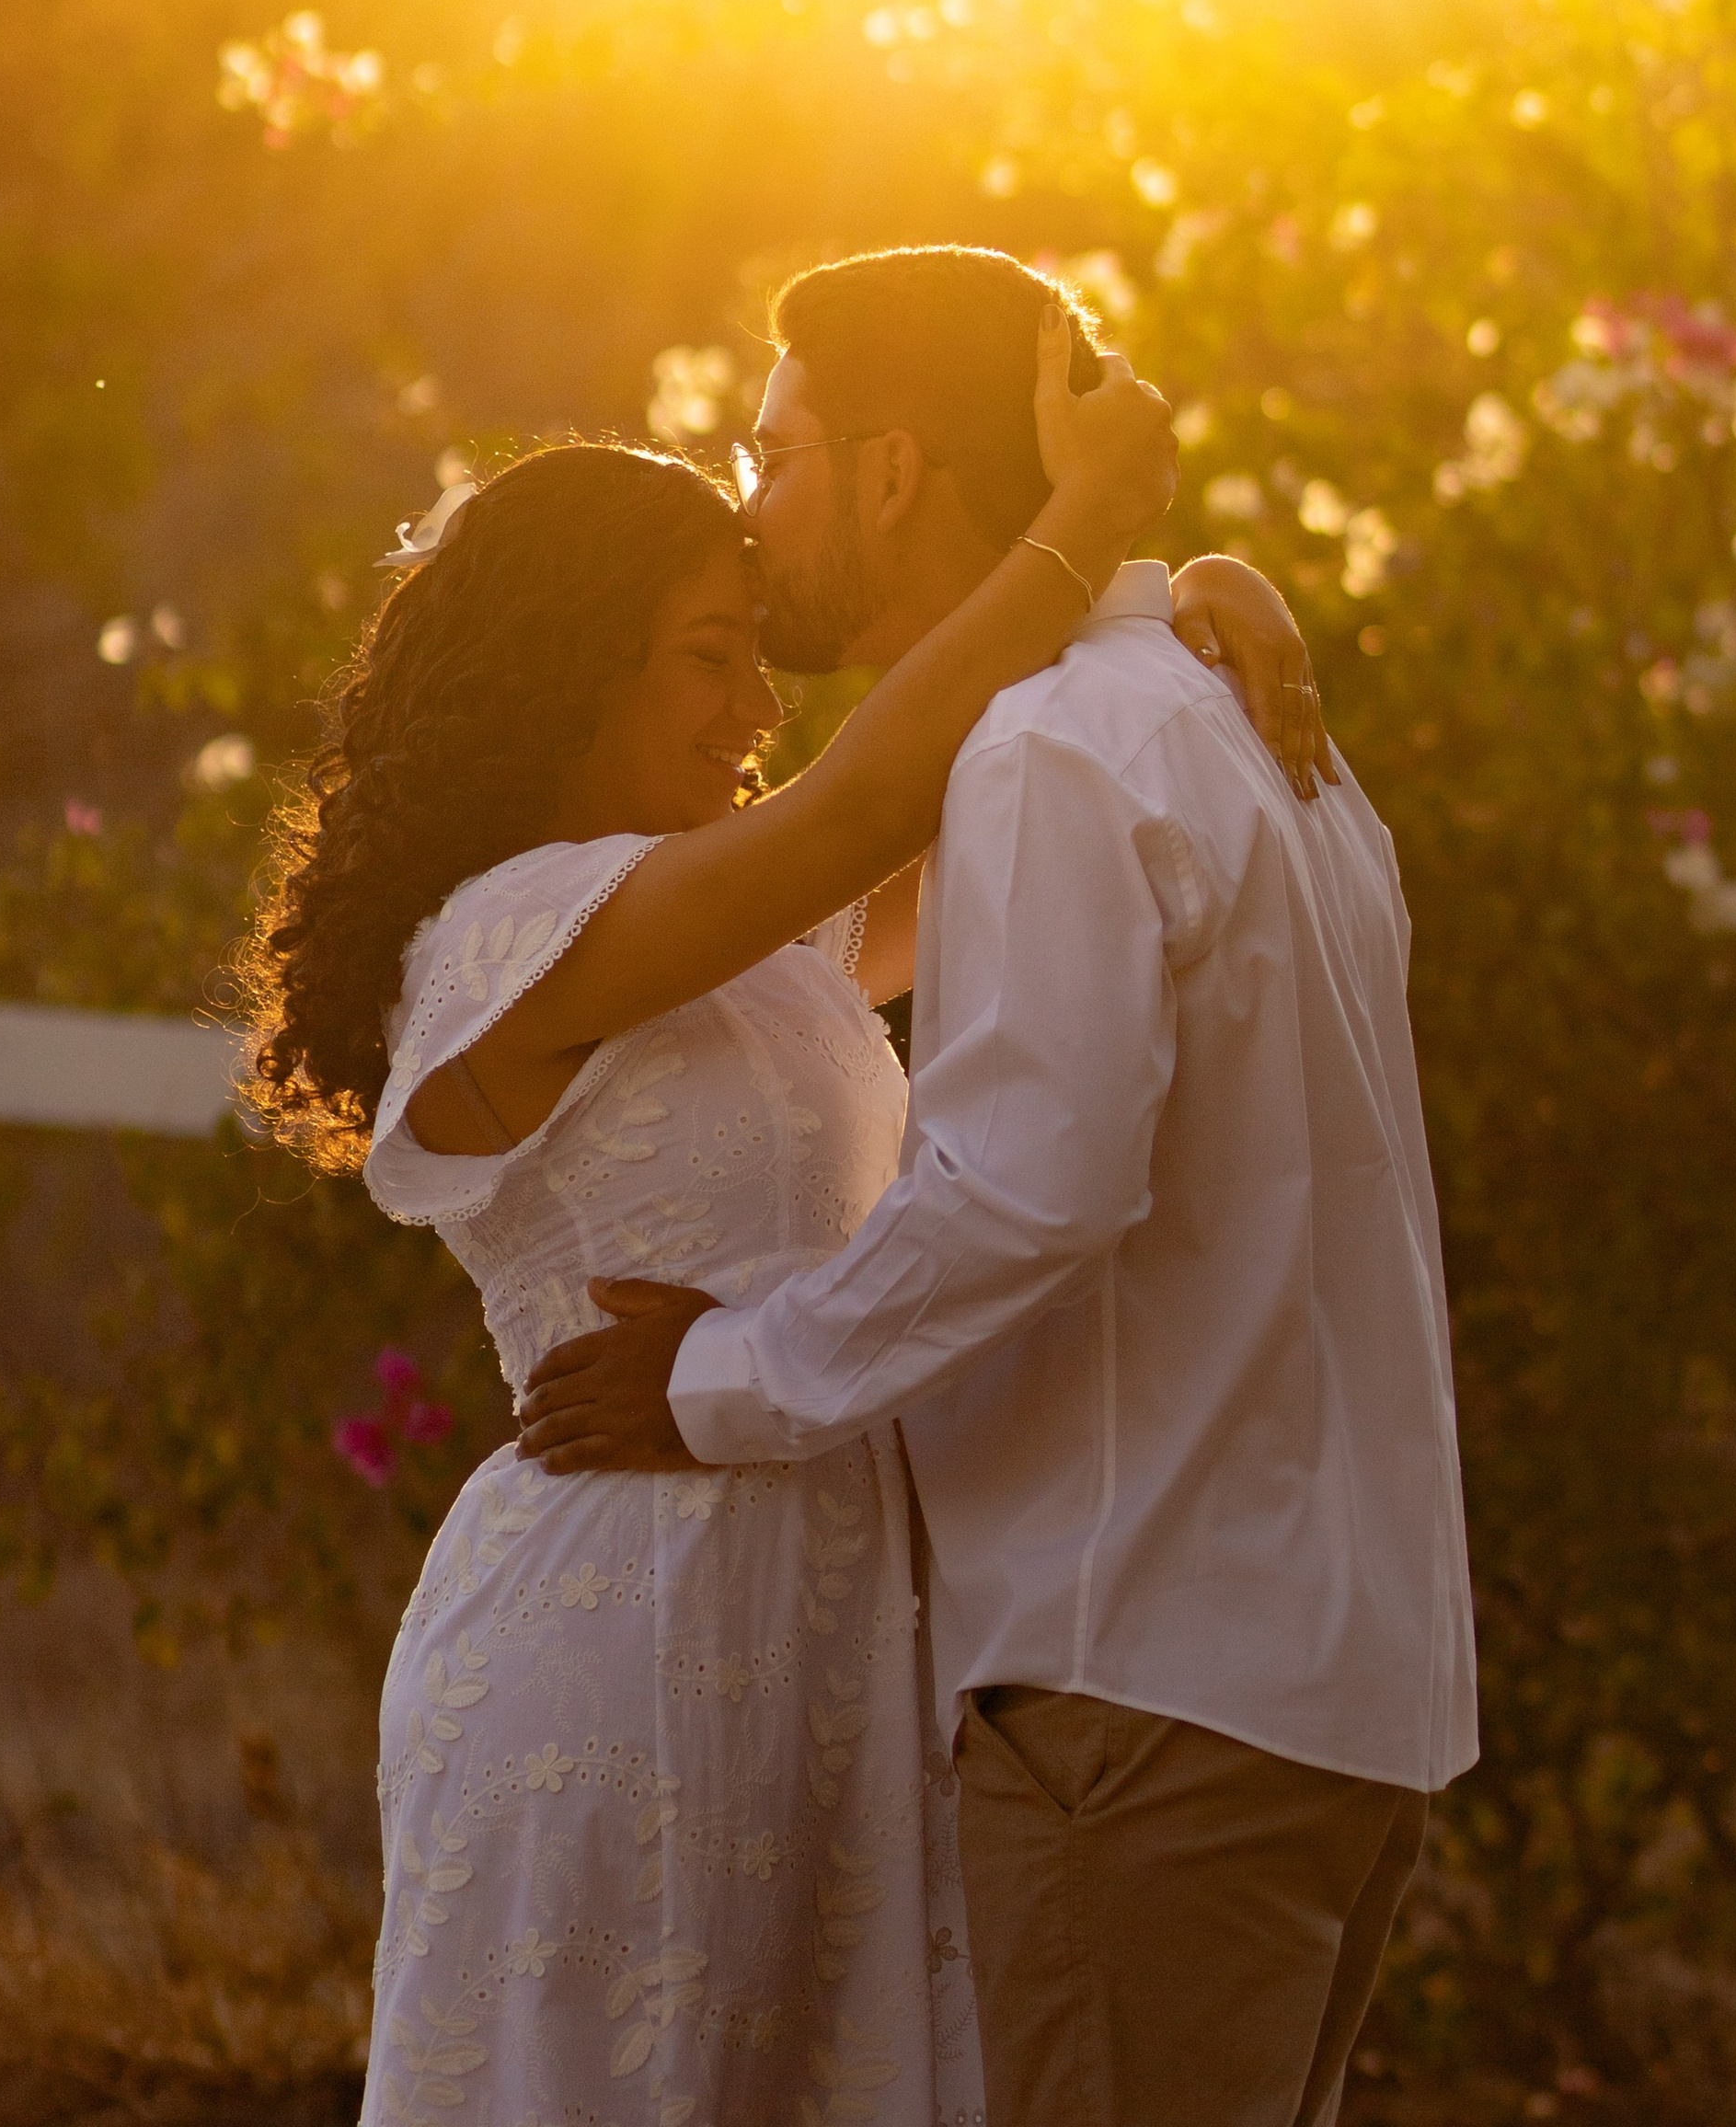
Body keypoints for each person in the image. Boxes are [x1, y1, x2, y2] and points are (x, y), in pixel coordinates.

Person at [235, 316, 1324, 2127]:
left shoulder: (746, 940)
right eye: (710, 660)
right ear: (562, 674)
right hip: (621, 1622)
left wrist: (1169, 600)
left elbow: (992, 793)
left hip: (827, 1636)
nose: (757, 710)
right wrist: (1092, 511)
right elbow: (873, 796)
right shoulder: (507, 938)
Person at [518, 247, 1478, 2127]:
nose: (749, 504)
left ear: (890, 471)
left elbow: (1033, 1185)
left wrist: (716, 1385)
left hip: (1147, 1684)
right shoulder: (1251, 730)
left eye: (772, 451)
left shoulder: (1052, 752)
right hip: (1331, 1689)